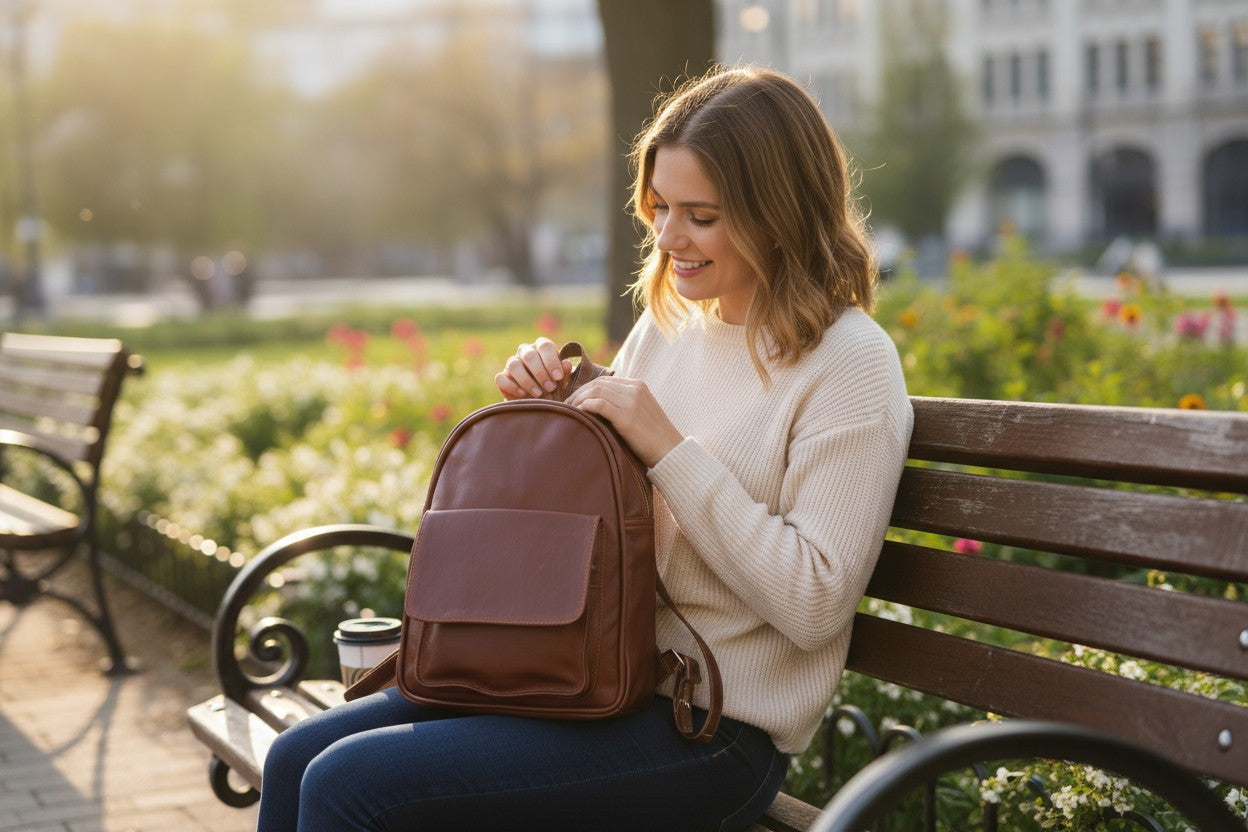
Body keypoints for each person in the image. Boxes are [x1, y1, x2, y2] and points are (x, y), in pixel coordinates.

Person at [257, 64, 912, 832]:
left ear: (780, 213)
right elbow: (612, 490)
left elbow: (814, 602)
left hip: (710, 730)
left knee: (350, 782)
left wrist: (668, 446)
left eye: (701, 215)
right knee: (294, 759)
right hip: (591, 677)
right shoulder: (672, 326)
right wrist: (557, 409)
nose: (668, 239)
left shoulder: (849, 362)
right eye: (660, 208)